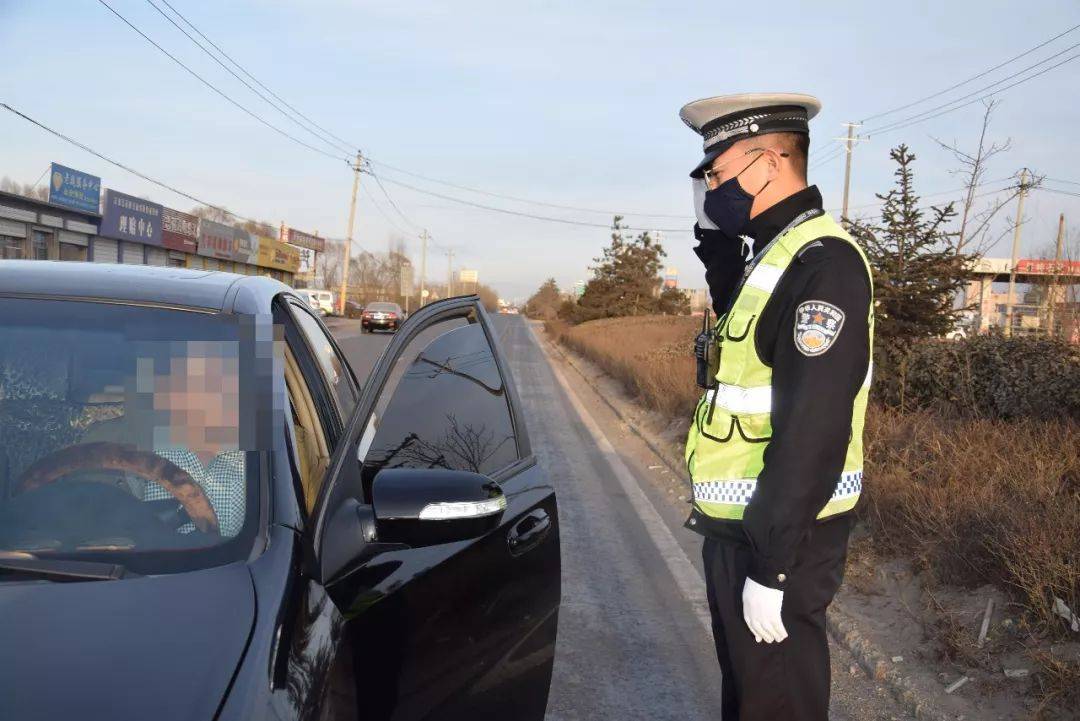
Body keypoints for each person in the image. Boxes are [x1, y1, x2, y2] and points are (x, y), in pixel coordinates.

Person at [680, 93, 874, 720]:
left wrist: (772, 566)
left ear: (767, 162)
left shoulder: (824, 263)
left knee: (778, 704)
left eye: (718, 172)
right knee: (749, 698)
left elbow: (813, 426)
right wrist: (714, 247)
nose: (712, 187)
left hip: (783, 537)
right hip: (741, 525)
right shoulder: (772, 253)